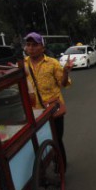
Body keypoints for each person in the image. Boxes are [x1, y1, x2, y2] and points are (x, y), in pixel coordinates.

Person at [23, 32, 73, 167]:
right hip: (34, 111)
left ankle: (61, 166)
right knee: (39, 140)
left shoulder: (52, 63)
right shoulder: (23, 65)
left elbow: (63, 84)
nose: (31, 48)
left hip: (53, 109)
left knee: (56, 139)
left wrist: (65, 72)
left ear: (43, 47)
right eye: (28, 45)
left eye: (35, 45)